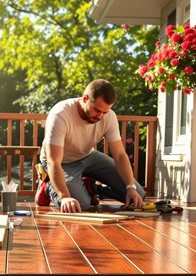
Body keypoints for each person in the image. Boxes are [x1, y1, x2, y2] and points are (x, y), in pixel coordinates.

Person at [38, 79, 146, 213]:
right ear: (85, 98)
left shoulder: (109, 117)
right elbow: (53, 161)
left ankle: (91, 188)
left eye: (105, 112)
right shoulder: (60, 115)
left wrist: (130, 187)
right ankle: (48, 184)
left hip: (88, 156)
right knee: (80, 204)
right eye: (96, 110)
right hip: (60, 162)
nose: (100, 116)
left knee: (138, 195)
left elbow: (119, 155)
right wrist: (64, 196)